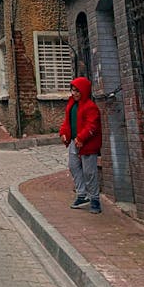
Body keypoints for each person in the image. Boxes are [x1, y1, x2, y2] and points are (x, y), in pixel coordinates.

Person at [59, 76, 103, 213]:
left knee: (89, 172)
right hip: (74, 142)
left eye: (77, 91)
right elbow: (67, 122)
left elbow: (92, 125)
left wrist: (82, 137)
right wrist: (63, 133)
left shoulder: (91, 107)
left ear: (83, 91)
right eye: (72, 90)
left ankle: (95, 199)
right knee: (73, 167)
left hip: (87, 145)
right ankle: (82, 195)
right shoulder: (71, 105)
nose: (74, 93)